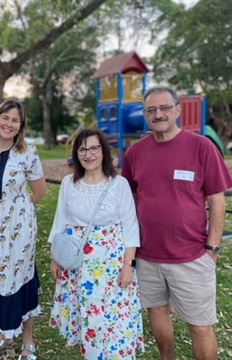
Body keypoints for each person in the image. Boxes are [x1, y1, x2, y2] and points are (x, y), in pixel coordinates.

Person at [121, 86, 232, 360]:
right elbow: (129, 200)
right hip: (147, 256)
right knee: (157, 314)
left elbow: (217, 202)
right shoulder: (134, 154)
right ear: (145, 114)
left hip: (192, 257)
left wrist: (212, 250)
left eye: (165, 108)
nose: (158, 114)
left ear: (178, 110)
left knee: (200, 326)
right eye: (151, 110)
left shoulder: (202, 147)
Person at [48, 128, 144, 359]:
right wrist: (55, 258)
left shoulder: (118, 184)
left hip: (111, 265)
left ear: (103, 152)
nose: (88, 154)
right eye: (82, 149)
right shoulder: (69, 184)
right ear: (76, 153)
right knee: (88, 319)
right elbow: (60, 220)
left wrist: (127, 266)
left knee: (113, 321)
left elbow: (130, 226)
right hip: (77, 263)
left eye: (94, 148)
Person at [0, 100, 47, 360]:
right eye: (5, 117)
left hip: (17, 232)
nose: (9, 123)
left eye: (15, 120)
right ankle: (5, 333)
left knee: (19, 280)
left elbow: (40, 192)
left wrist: (15, 214)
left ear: (21, 126)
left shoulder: (28, 153)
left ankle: (26, 339)